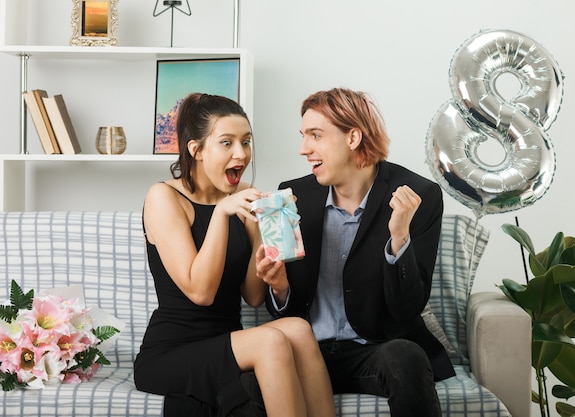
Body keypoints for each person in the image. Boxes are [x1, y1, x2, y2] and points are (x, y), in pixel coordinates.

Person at [256, 87, 455, 417]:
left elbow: (407, 308)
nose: (303, 149)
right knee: (248, 381)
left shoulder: (419, 195)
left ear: (353, 138)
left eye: (315, 135)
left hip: (375, 350)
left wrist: (398, 238)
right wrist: (278, 287)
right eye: (303, 135)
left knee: (405, 356)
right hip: (308, 352)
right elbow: (284, 312)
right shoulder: (294, 197)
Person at [134, 93, 336, 417]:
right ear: (196, 150)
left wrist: (272, 246)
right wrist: (220, 214)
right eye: (226, 143)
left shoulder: (243, 196)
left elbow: (254, 296)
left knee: (297, 328)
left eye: (246, 142)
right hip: (172, 353)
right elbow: (200, 292)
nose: (240, 154)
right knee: (270, 341)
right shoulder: (164, 197)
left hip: (227, 342)